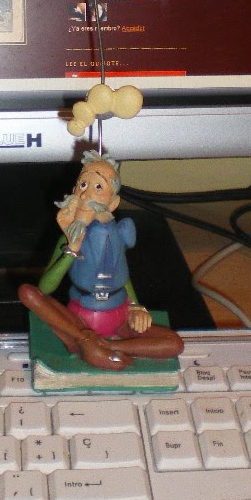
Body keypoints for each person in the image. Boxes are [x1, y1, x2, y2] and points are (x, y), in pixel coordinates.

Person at [18, 152, 183, 369]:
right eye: (83, 184)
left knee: (174, 344)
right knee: (27, 293)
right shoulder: (67, 238)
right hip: (79, 320)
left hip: (119, 315)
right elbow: (45, 288)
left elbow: (122, 273)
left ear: (113, 203)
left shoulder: (119, 232)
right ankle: (85, 340)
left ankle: (102, 347)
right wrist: (72, 248)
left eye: (98, 187)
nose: (86, 194)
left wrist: (135, 306)